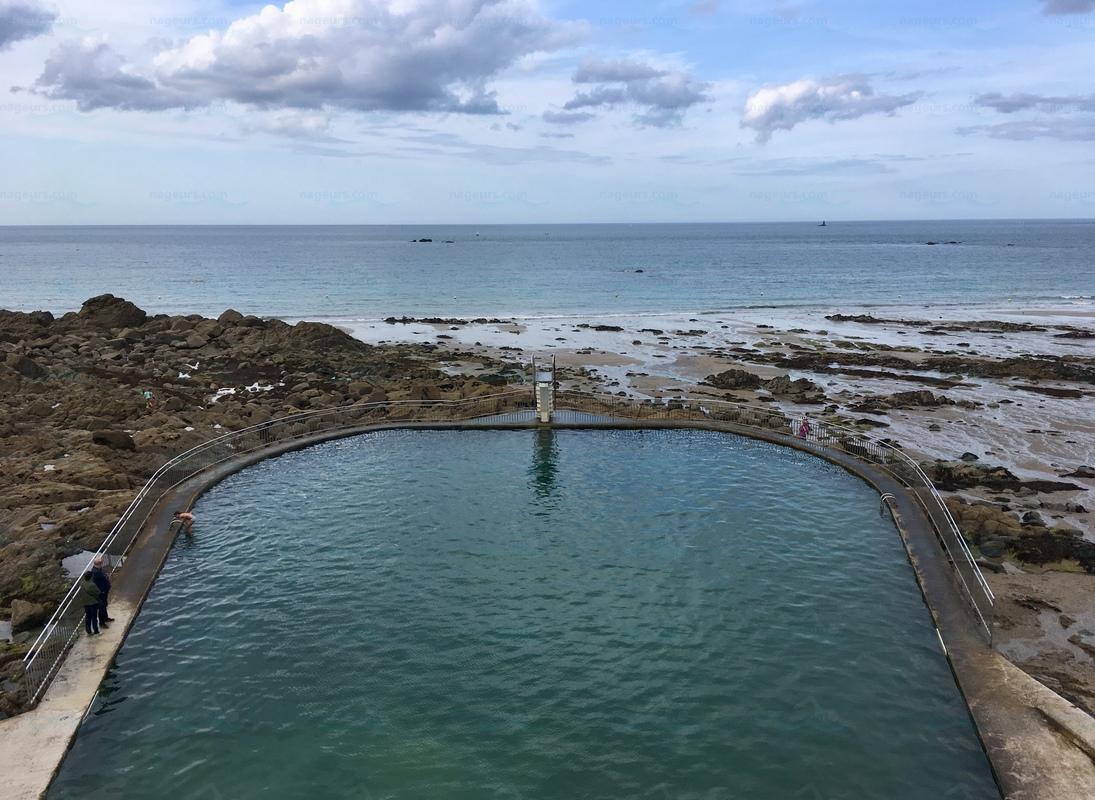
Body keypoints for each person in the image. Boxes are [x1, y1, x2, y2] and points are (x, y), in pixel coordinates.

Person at [91, 556, 115, 628]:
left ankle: (105, 618)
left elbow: (105, 576)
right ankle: (102, 622)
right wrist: (106, 576)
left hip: (104, 590)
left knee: (104, 605)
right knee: (101, 607)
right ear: (100, 563)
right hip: (101, 592)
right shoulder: (96, 572)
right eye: (101, 562)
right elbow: (104, 577)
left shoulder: (98, 569)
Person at [79, 571, 102, 636]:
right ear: (91, 577)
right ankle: (96, 631)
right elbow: (98, 592)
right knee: (94, 617)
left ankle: (88, 631)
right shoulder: (92, 584)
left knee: (88, 617)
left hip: (85, 603)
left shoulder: (82, 583)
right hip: (93, 603)